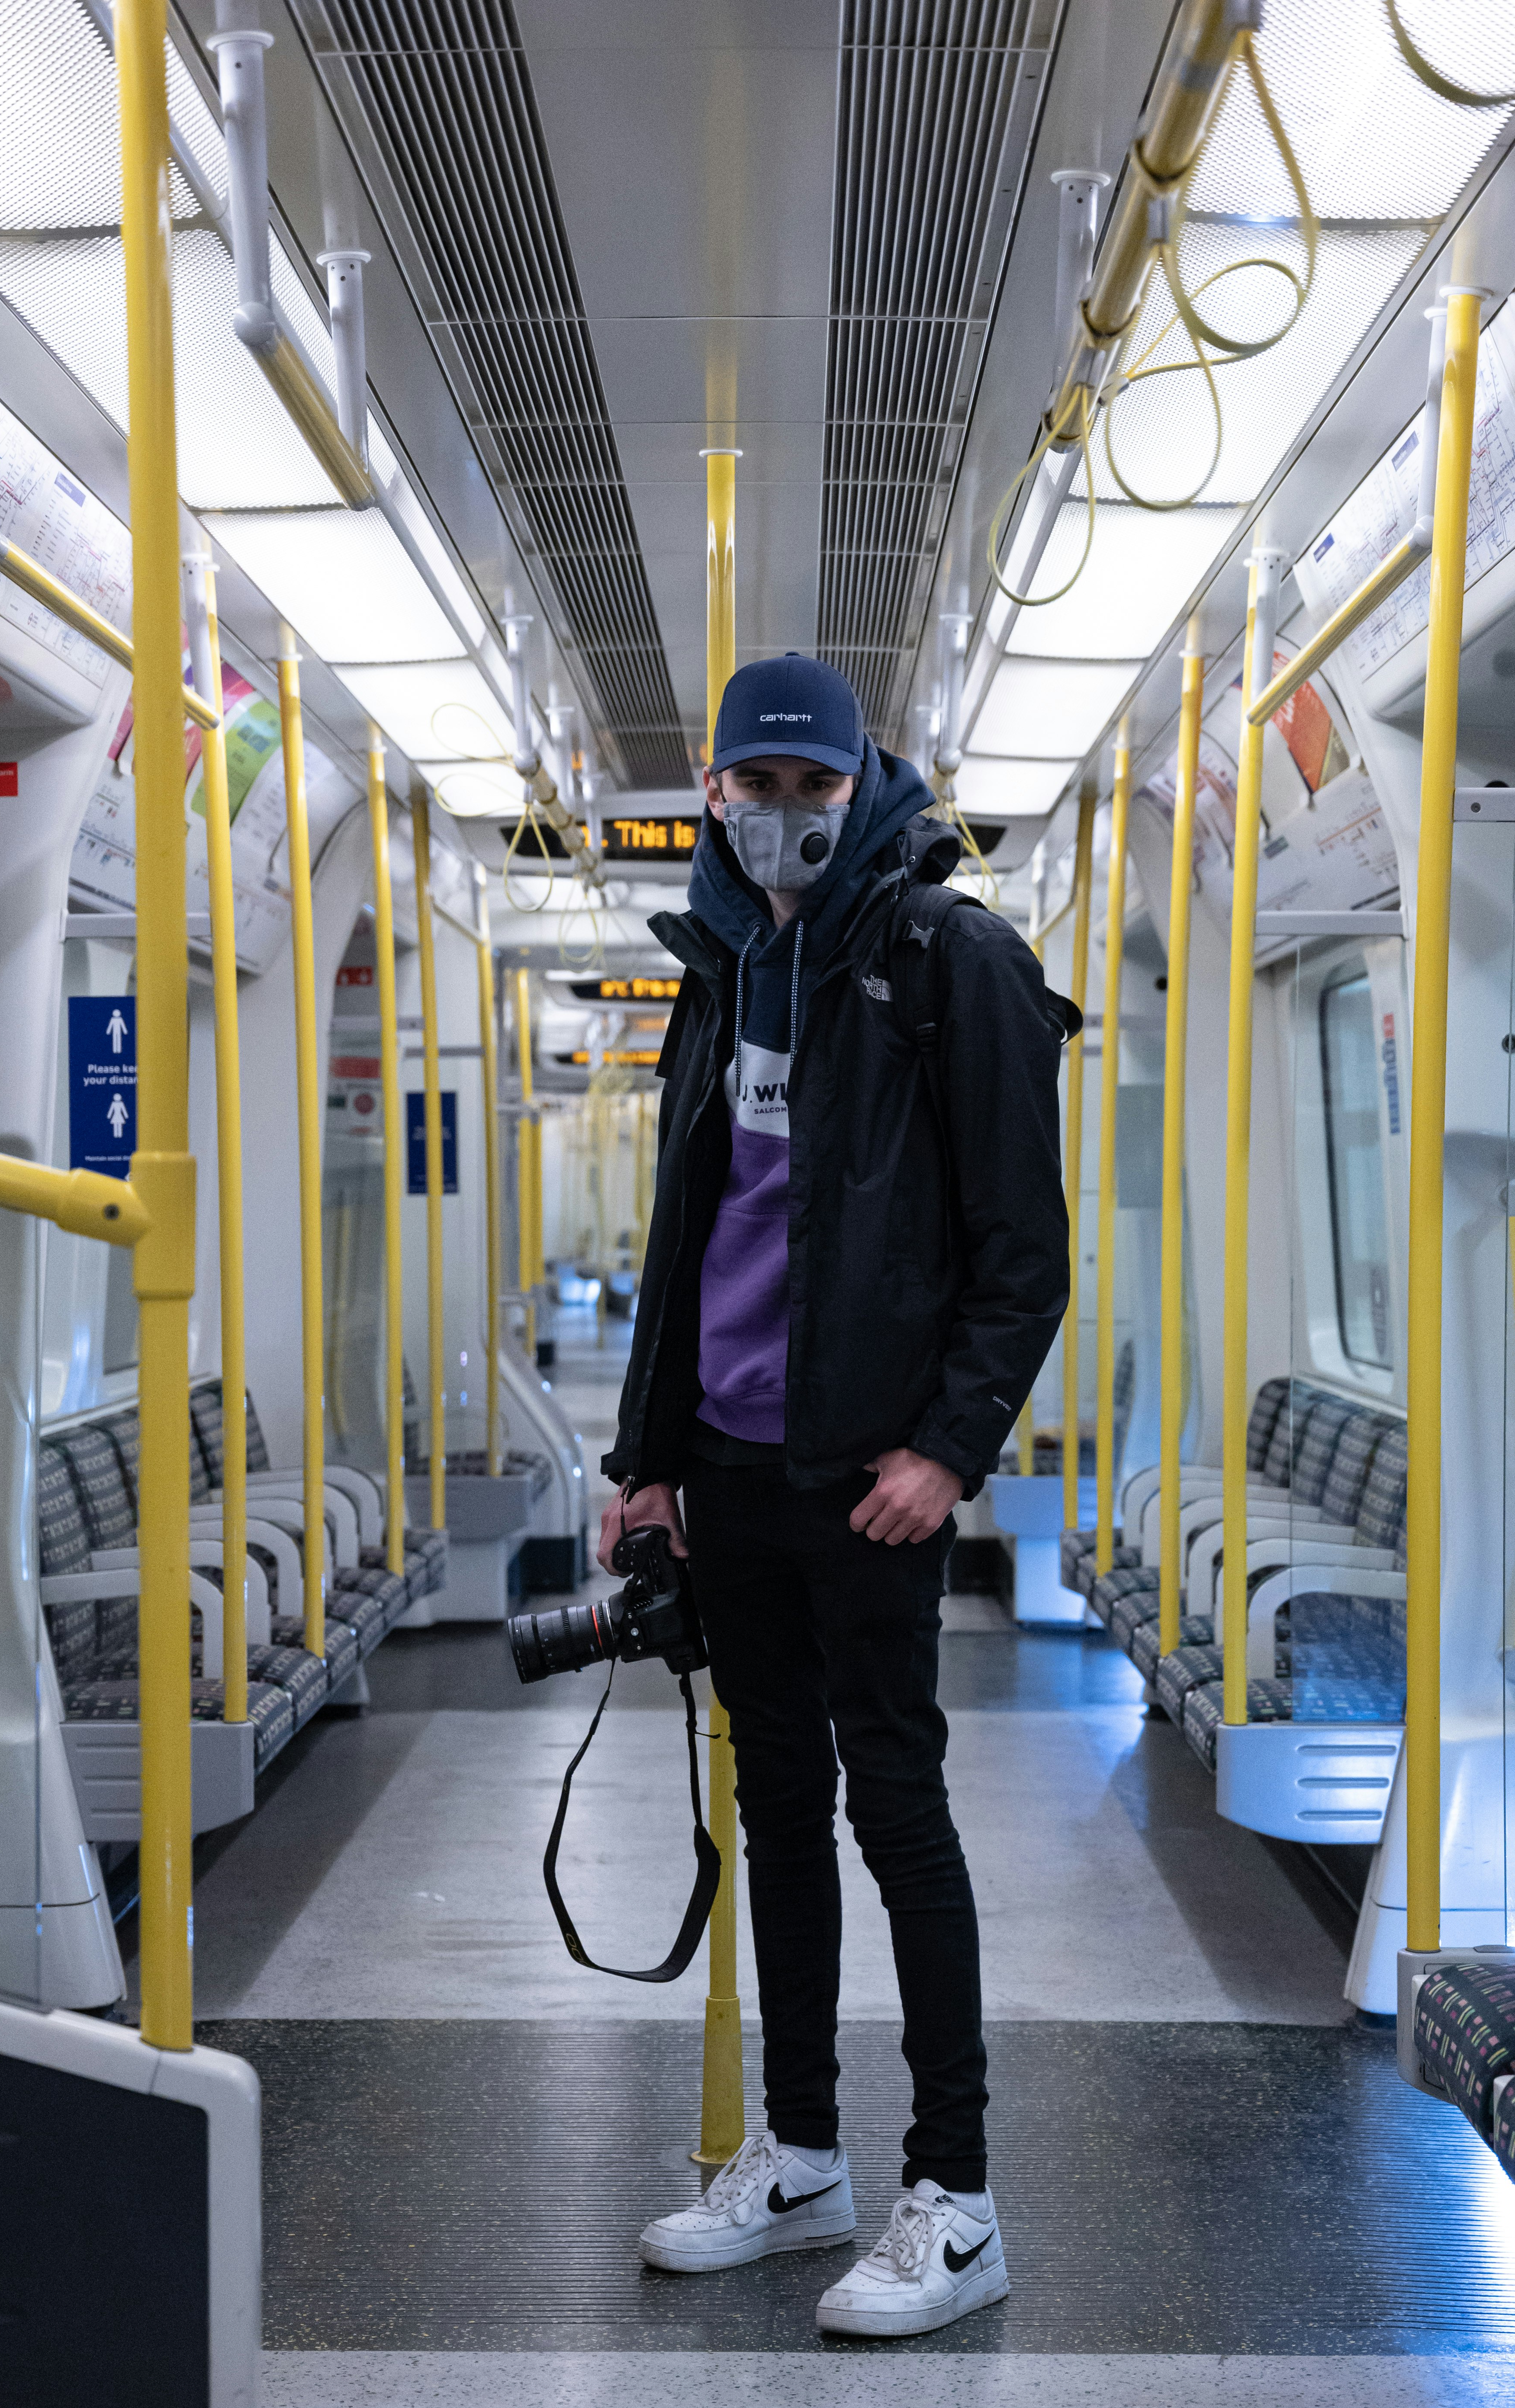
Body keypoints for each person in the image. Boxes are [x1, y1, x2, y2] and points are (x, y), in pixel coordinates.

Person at [598, 651, 1071, 2338]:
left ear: (860, 780)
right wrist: (645, 1458)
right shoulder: (719, 971)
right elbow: (687, 1243)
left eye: (813, 784)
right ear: (710, 794)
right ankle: (801, 2158)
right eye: (755, 785)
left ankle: (956, 2196)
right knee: (774, 1816)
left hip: (868, 1478)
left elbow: (1022, 1250)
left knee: (898, 1818)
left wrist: (946, 1447)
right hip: (724, 1470)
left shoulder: (954, 960)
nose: (785, 814)